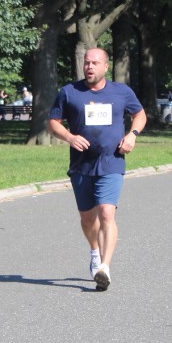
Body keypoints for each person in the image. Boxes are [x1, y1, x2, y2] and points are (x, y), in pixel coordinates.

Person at [48, 48, 147, 291]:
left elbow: (140, 114)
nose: (89, 67)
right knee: (87, 217)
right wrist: (70, 137)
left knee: (106, 213)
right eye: (86, 63)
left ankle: (104, 267)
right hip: (81, 164)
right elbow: (53, 123)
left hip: (112, 161)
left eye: (94, 63)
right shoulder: (69, 92)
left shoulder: (121, 92)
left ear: (106, 66)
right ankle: (95, 252)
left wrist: (132, 135)